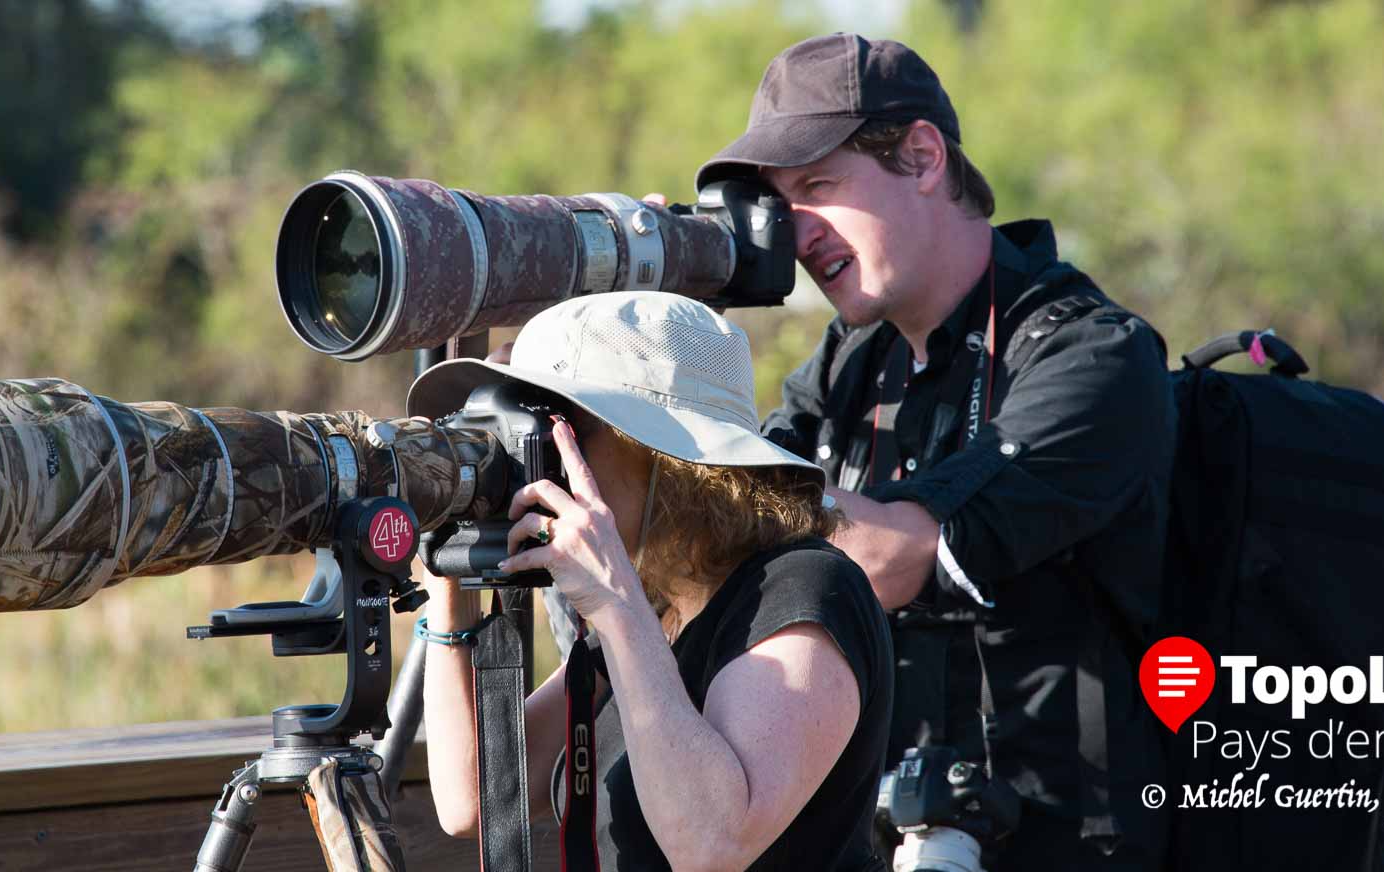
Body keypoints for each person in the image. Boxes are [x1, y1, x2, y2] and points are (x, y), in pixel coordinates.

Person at [688, 32, 1179, 870]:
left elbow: (886, 556)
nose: (796, 234)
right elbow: (713, 541)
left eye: (817, 186)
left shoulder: (1092, 357)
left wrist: (709, 483)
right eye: (778, 204)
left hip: (1065, 851)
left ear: (921, 157)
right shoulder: (848, 364)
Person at [411, 291, 894, 871]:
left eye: (551, 433)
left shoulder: (805, 589)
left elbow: (712, 845)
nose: (533, 467)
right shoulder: (658, 610)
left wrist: (615, 605)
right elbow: (475, 799)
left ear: (665, 453)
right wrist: (450, 567)